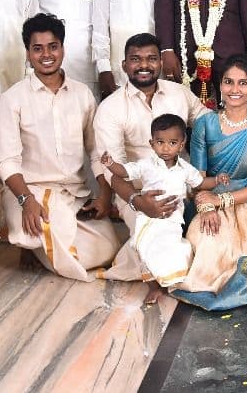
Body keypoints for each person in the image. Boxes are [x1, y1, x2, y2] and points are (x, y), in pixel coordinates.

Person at [0, 13, 120, 280]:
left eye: (53, 46)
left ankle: (39, 245)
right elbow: (6, 161)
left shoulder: (82, 94)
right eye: (37, 49)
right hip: (31, 192)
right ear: (28, 53)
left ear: (62, 48)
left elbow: (97, 152)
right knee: (75, 251)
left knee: (108, 250)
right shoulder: (12, 99)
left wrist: (105, 194)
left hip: (75, 194)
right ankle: (33, 240)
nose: (46, 55)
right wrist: (26, 200)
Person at [93, 32, 206, 279]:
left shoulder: (179, 94)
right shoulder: (110, 108)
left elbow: (211, 126)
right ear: (124, 65)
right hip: (139, 194)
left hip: (183, 185)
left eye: (151, 58)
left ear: (160, 63)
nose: (144, 65)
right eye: (136, 59)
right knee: (156, 245)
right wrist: (138, 201)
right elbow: (113, 173)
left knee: (208, 239)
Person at [174, 56, 247, 309]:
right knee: (208, 240)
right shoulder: (205, 124)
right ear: (219, 85)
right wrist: (207, 204)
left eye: (243, 83)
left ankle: (237, 289)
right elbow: (197, 178)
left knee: (239, 250)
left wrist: (222, 200)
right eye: (229, 82)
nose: (235, 90)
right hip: (208, 198)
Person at [98, 115, 229, 304]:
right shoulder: (146, 165)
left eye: (172, 142)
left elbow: (200, 182)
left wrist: (216, 180)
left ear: (181, 145)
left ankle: (170, 281)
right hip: (148, 218)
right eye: (160, 142)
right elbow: (125, 172)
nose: (166, 148)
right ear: (152, 144)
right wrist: (111, 164)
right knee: (145, 249)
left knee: (170, 248)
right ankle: (153, 287)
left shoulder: (185, 168)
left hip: (173, 219)